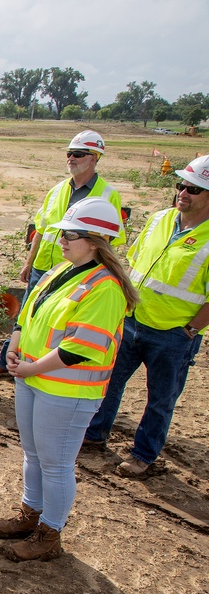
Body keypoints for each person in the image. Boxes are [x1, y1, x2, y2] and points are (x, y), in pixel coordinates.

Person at [0, 197, 136, 561]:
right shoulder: (60, 271)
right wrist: (15, 347)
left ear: (96, 239)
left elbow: (79, 349)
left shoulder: (105, 288)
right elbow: (28, 313)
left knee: (56, 464)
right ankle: (30, 515)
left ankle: (49, 534)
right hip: (35, 379)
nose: (62, 241)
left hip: (67, 390)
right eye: (61, 234)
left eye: (70, 234)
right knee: (34, 455)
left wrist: (29, 368)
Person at [84, 155, 209, 478]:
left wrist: (190, 331)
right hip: (132, 321)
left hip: (173, 334)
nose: (183, 192)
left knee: (160, 400)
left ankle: (143, 455)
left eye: (193, 189)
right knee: (108, 382)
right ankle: (95, 434)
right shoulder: (160, 220)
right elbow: (135, 262)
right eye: (181, 185)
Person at [0, 131, 122, 379]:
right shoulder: (57, 190)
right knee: (26, 318)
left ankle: (41, 369)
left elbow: (107, 243)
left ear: (95, 158)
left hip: (79, 275)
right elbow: (41, 230)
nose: (71, 158)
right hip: (44, 269)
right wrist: (28, 262)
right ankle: (8, 362)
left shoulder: (108, 196)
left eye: (78, 154)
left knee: (60, 325)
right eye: (69, 153)